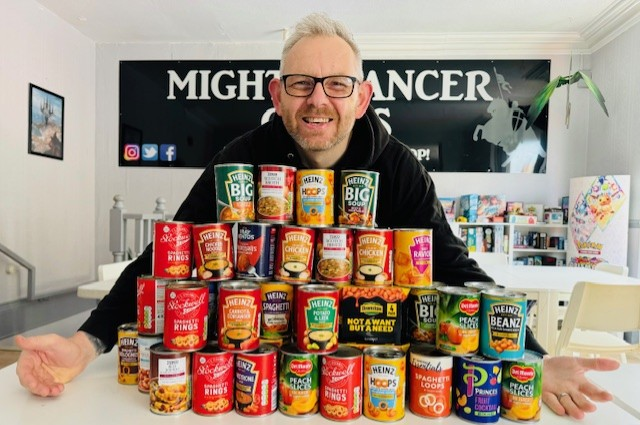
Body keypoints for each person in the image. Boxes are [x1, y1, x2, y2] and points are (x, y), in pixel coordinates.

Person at [15, 12, 618, 419]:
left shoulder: (398, 168)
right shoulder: (241, 160)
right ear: (277, 95)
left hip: (374, 371)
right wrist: (87, 342)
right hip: (262, 371)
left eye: (337, 84)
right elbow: (161, 261)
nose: (318, 99)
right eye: (301, 83)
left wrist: (532, 358)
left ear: (363, 96)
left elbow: (456, 269)